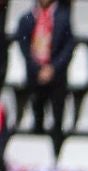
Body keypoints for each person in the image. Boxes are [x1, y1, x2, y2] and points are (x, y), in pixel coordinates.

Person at [14, 0, 74, 141]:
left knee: (58, 119)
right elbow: (24, 48)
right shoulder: (27, 18)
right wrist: (37, 69)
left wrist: (53, 68)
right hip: (35, 75)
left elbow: (69, 47)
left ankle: (57, 148)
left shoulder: (63, 18)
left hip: (57, 76)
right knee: (37, 116)